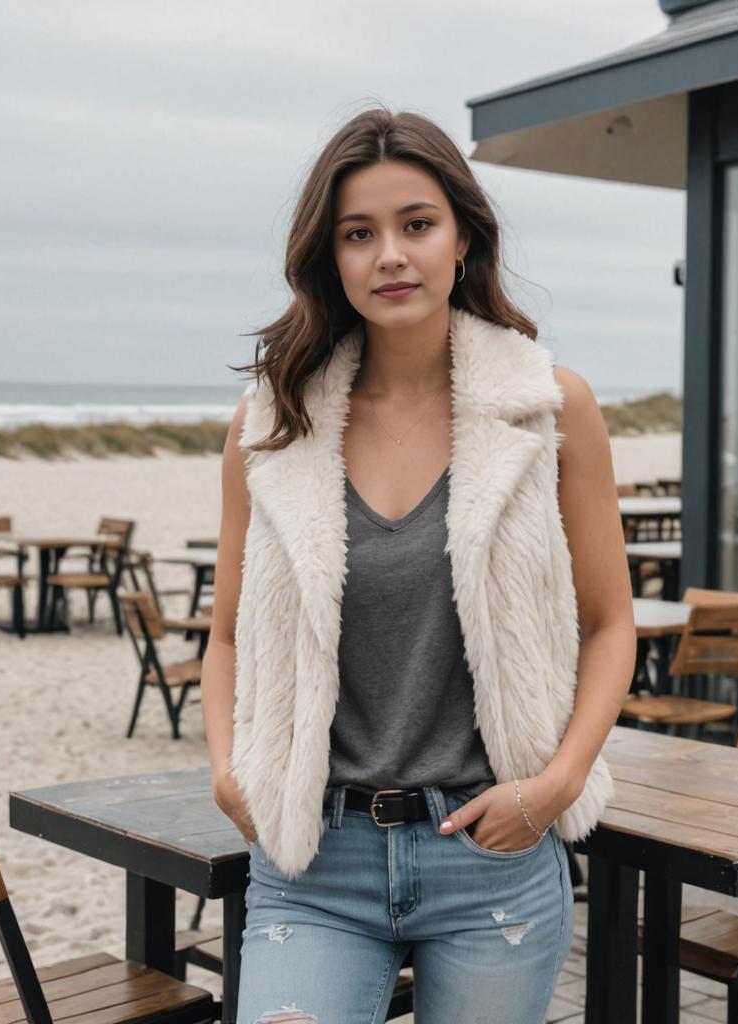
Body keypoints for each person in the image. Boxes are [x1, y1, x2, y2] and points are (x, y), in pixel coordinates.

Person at [201, 106, 636, 1024]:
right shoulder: (271, 426)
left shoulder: (550, 408)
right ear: (331, 257)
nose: (390, 254)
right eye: (359, 233)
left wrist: (553, 789)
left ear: (463, 238)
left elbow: (610, 624)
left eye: (416, 224)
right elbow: (228, 629)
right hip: (316, 857)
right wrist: (226, 768)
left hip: (492, 850)